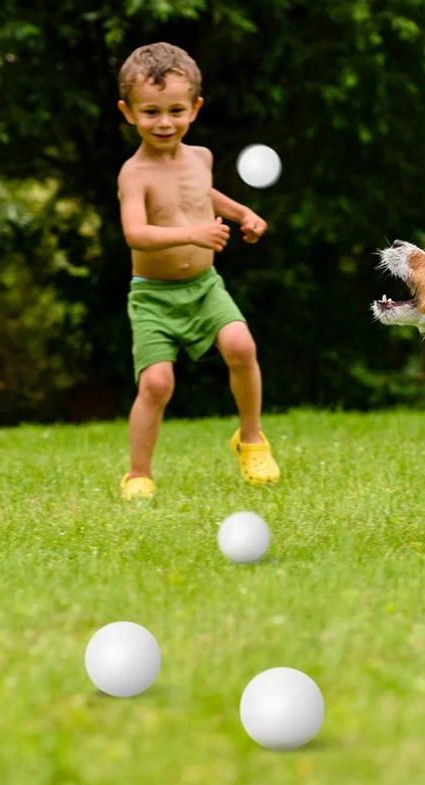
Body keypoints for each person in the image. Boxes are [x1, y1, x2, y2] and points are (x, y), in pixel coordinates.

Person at [115, 42, 279, 501]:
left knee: (240, 345)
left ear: (195, 108)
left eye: (175, 110)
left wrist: (242, 212)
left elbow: (206, 196)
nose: (164, 122)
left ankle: (252, 440)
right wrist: (191, 235)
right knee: (156, 382)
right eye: (150, 112)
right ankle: (138, 474)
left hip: (204, 287)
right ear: (128, 112)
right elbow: (135, 233)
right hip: (153, 296)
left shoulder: (200, 157)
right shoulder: (134, 174)